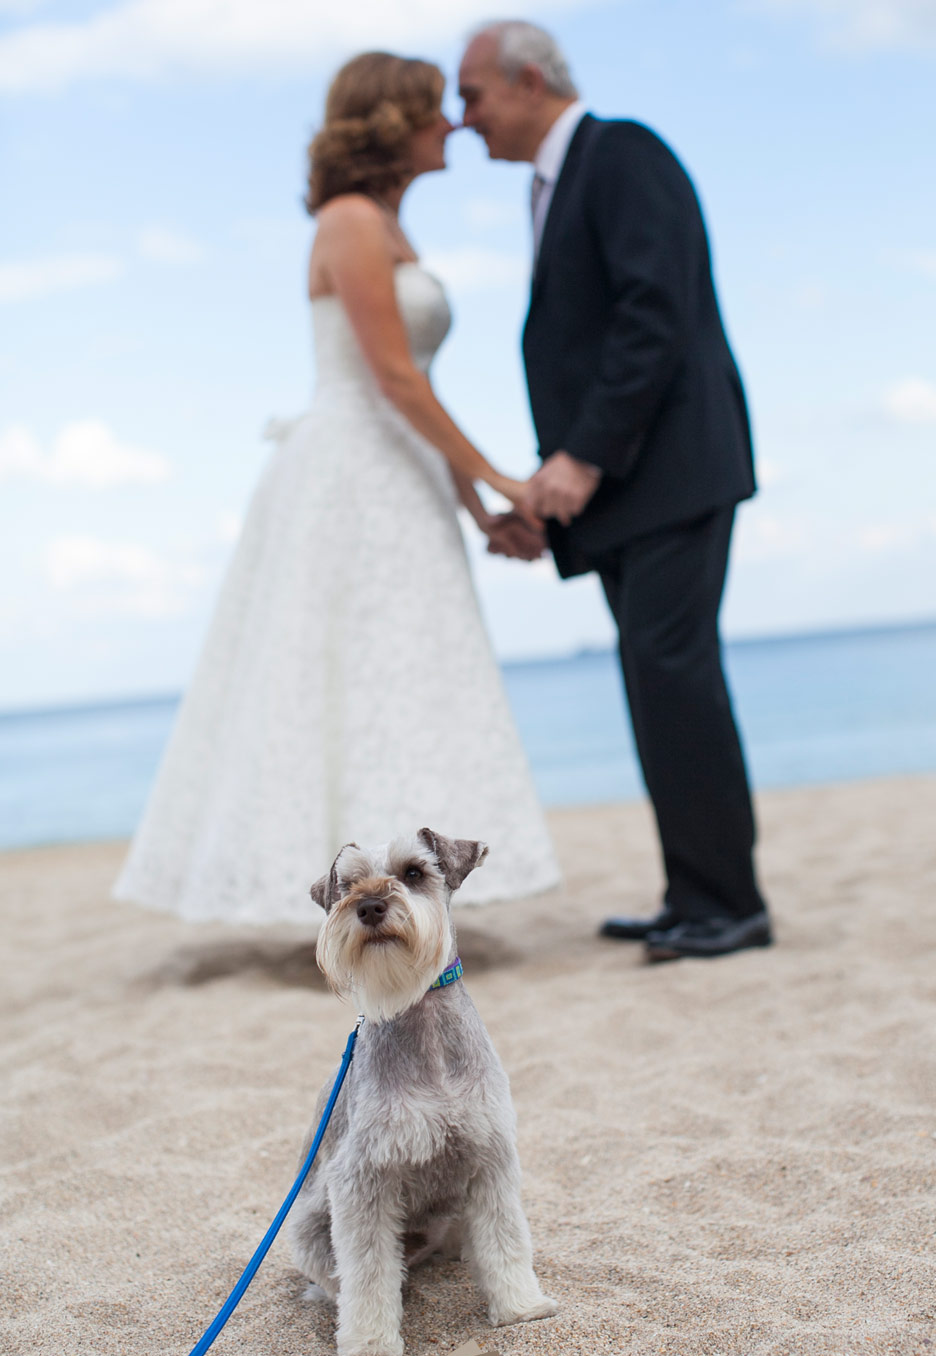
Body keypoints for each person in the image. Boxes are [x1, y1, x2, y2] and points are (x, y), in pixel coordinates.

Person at [114, 51, 559, 926]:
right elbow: (393, 382)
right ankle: (345, 902)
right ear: (393, 123)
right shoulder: (352, 221)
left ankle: (403, 897)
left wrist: (476, 508)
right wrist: (505, 475)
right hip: (352, 477)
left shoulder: (390, 228)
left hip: (403, 474)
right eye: (437, 110)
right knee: (335, 677)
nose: (453, 125)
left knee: (407, 676)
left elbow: (415, 386)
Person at [458, 21, 771, 961]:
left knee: (673, 676)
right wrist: (555, 514)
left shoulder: (621, 151)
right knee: (655, 681)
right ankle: (697, 895)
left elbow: (653, 313)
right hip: (633, 487)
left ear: (526, 79)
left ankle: (728, 904)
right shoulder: (554, 185)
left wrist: (583, 460)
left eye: (471, 95)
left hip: (671, 472)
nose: (461, 118)